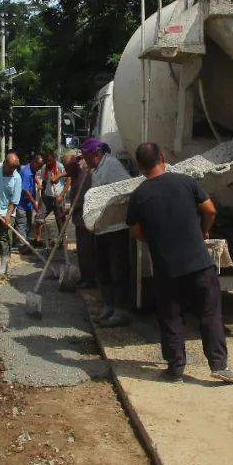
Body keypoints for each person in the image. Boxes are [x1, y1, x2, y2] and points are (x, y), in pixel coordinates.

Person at [126, 142, 233, 384]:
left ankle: (176, 369)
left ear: (140, 166)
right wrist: (203, 232)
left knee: (171, 316)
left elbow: (135, 231)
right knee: (209, 312)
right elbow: (210, 210)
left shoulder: (139, 195)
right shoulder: (184, 182)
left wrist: (156, 240)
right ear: (163, 157)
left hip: (166, 267)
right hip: (198, 262)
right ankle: (219, 366)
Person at [81, 137, 134, 325]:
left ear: (96, 154)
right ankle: (108, 306)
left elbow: (127, 188)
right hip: (101, 228)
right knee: (102, 270)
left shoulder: (111, 165)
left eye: (86, 157)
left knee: (117, 270)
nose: (85, 161)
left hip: (115, 227)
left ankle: (120, 311)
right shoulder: (96, 169)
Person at [64, 151, 96, 287]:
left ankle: (89, 280)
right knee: (82, 250)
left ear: (75, 166)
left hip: (85, 221)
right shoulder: (76, 175)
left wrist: (69, 210)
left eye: (67, 168)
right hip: (79, 220)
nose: (66, 171)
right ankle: (85, 277)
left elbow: (82, 200)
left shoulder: (84, 177)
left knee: (86, 251)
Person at [38, 148, 67, 248]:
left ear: (54, 159)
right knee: (39, 217)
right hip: (47, 197)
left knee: (60, 220)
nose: (48, 162)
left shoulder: (59, 166)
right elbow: (44, 181)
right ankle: (40, 239)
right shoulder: (44, 168)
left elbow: (69, 179)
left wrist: (62, 194)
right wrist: (41, 195)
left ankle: (62, 241)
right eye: (47, 161)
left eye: (50, 160)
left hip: (58, 196)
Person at [17, 152, 43, 249]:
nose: (39, 168)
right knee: (22, 225)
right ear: (34, 162)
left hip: (27, 204)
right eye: (39, 166)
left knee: (28, 225)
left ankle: (25, 242)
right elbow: (26, 191)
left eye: (41, 166)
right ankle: (22, 245)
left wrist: (38, 183)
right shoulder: (26, 173)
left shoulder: (32, 169)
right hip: (21, 204)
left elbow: (34, 175)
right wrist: (34, 203)